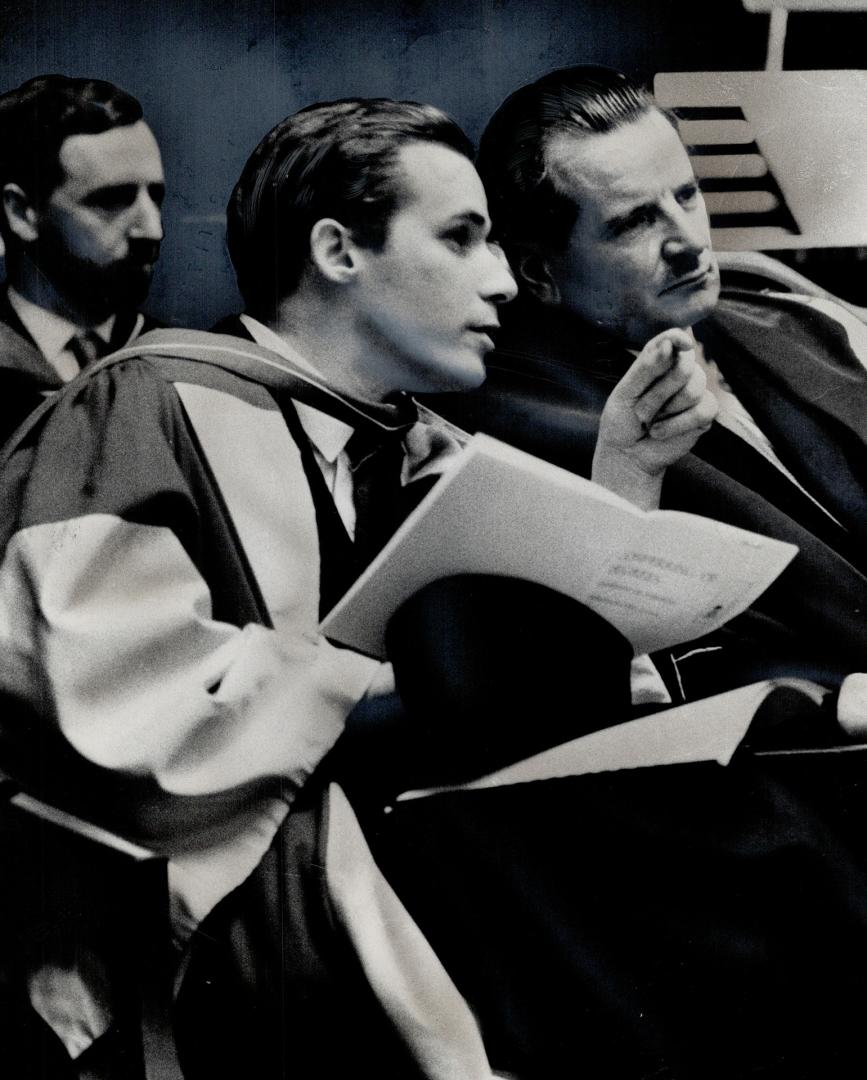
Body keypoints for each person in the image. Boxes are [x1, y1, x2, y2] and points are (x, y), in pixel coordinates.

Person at [429, 65, 867, 699]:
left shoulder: (793, 319)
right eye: (633, 223)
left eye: (686, 196)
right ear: (539, 272)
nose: (687, 242)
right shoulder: (510, 428)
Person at [0, 74, 164, 444]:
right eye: (111, 200)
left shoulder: (176, 364)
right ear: (22, 212)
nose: (153, 231)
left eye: (156, 198)